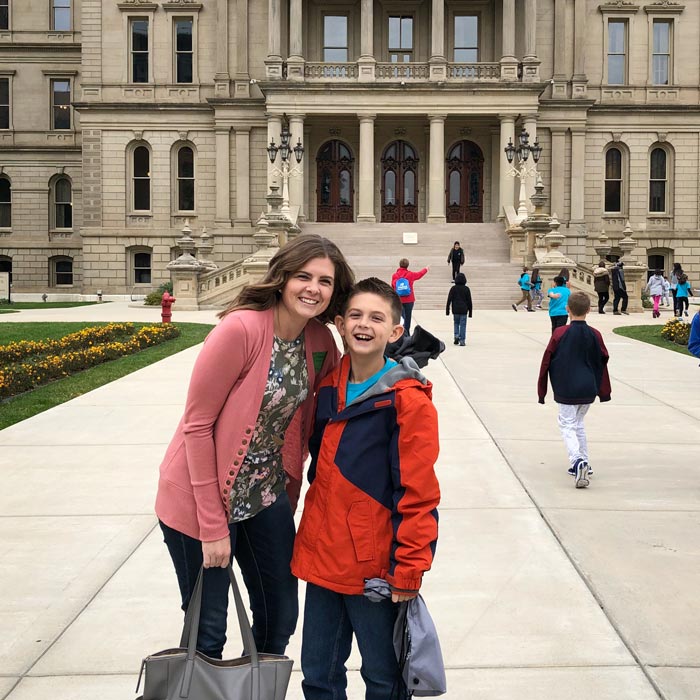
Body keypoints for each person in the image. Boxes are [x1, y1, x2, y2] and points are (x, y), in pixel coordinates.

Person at [155, 234, 355, 660]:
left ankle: (256, 688)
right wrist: (212, 527)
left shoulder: (320, 342)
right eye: (304, 276)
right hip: (199, 495)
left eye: (324, 281)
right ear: (282, 278)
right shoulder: (240, 329)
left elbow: (336, 403)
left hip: (263, 494)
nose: (313, 288)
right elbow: (196, 426)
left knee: (280, 613)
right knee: (208, 629)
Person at [293, 277, 440, 700]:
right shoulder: (326, 385)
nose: (363, 324)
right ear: (339, 323)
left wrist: (409, 567)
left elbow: (419, 493)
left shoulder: (407, 400)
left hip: (374, 569)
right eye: (355, 315)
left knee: (383, 678)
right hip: (322, 559)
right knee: (318, 675)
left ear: (395, 331)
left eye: (377, 318)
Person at [537, 291, 611, 489]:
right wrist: (601, 388)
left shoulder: (560, 333)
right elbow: (603, 358)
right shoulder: (595, 334)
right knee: (578, 424)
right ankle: (584, 461)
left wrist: (542, 389)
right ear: (589, 310)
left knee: (567, 424)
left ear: (567, 309)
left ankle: (577, 461)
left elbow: (546, 360)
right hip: (588, 387)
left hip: (566, 387)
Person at [391, 258, 428, 335]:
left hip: (399, 299)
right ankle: (407, 333)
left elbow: (393, 287)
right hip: (409, 299)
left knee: (400, 317)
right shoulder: (410, 274)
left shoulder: (395, 275)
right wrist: (426, 269)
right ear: (407, 265)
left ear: (400, 265)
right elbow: (419, 274)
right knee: (408, 317)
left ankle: (400, 333)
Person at [446, 272, 473, 346]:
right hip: (464, 310)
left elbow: (449, 299)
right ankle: (462, 340)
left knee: (456, 323)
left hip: (455, 309)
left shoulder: (453, 288)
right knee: (463, 325)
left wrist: (447, 310)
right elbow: (469, 301)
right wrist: (470, 312)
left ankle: (456, 335)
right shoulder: (466, 289)